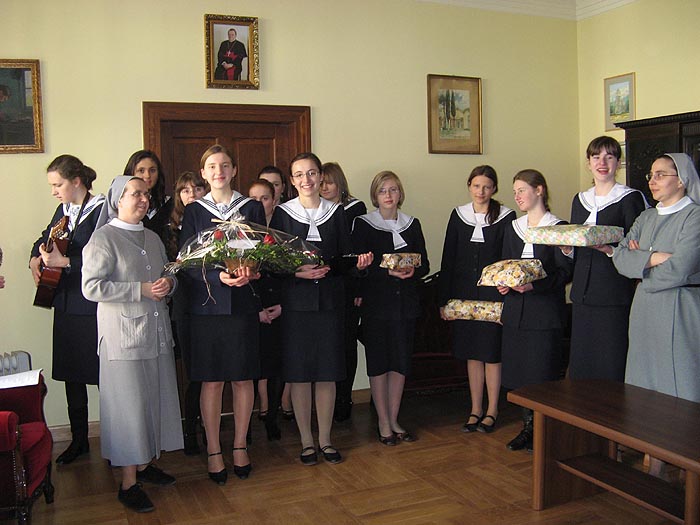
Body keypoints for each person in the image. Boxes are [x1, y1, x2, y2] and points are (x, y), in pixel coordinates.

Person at [82, 176, 182, 513]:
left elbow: (168, 274)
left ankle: (144, 464)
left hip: (155, 333)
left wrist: (169, 283)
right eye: (135, 194)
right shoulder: (103, 238)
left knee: (153, 400)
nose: (143, 199)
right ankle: (128, 484)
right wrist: (140, 289)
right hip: (122, 340)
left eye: (146, 194)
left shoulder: (151, 237)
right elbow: (91, 287)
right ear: (117, 200)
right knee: (129, 410)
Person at [269, 152, 372, 466]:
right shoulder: (283, 214)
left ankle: (326, 440)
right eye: (299, 174)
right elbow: (272, 262)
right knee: (300, 375)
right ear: (292, 180)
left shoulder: (336, 212)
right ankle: (306, 442)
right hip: (297, 305)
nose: (307, 180)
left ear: (320, 176)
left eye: (312, 173)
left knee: (327, 373)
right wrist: (296, 272)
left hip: (330, 303)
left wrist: (358, 265)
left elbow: (344, 259)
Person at [179, 144, 266, 484]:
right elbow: (187, 261)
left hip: (242, 304)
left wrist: (252, 270)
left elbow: (262, 250)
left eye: (225, 165)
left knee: (243, 378)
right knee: (212, 380)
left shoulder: (251, 207)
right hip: (207, 306)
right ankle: (214, 450)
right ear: (203, 173)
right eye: (212, 166)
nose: (219, 171)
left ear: (234, 170)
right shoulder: (194, 211)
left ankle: (240, 445)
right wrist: (219, 277)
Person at [29, 155, 105, 464]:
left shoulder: (101, 210)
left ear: (76, 181)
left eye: (57, 185)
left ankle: (115, 441)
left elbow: (107, 256)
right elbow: (45, 237)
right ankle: (79, 440)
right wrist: (35, 258)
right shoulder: (64, 210)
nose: (53, 191)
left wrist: (68, 262)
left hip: (91, 305)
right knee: (72, 376)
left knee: (102, 377)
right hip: (64, 302)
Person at [613, 154, 700, 401]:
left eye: (661, 175)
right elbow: (619, 258)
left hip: (679, 305)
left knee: (679, 377)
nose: (652, 181)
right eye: (651, 175)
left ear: (681, 180)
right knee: (642, 376)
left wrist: (640, 263)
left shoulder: (694, 217)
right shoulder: (646, 217)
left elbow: (680, 268)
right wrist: (654, 257)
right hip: (643, 308)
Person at [352, 170, 428, 445]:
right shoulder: (363, 224)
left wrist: (412, 271)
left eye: (393, 189)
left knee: (400, 363)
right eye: (383, 190)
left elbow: (425, 263)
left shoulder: (412, 224)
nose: (388, 195)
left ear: (400, 193)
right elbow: (358, 268)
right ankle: (383, 421)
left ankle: (394, 418)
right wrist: (387, 273)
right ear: (375, 195)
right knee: (379, 364)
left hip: (405, 305)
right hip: (377, 305)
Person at [499, 169, 573, 452]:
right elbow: (506, 265)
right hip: (516, 313)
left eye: (522, 190)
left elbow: (564, 272)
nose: (517, 196)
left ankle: (544, 431)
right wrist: (503, 283)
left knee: (541, 375)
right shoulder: (513, 228)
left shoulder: (558, 228)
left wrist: (534, 286)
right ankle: (527, 428)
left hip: (544, 313)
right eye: (514, 191)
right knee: (520, 376)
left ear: (539, 190)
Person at [438, 165, 515, 434]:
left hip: (494, 297)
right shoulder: (458, 215)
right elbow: (448, 259)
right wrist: (444, 300)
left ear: (494, 189)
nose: (481, 191)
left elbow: (509, 259)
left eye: (487, 187)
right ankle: (475, 409)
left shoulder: (506, 216)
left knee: (491, 354)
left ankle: (492, 410)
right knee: (472, 354)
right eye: (476, 186)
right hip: (464, 297)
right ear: (469, 186)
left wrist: (508, 297)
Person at [565, 137, 647, 381]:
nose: (602, 163)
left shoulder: (630, 198)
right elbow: (577, 246)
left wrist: (610, 249)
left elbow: (635, 246)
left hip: (613, 291)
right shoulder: (580, 200)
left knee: (610, 359)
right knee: (583, 360)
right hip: (582, 293)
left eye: (609, 157)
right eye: (596, 157)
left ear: (618, 163)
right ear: (588, 163)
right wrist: (566, 248)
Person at [321, 161, 367, 422]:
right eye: (322, 182)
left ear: (340, 183)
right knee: (329, 344)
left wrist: (359, 287)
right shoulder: (314, 210)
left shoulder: (355, 209)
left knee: (347, 343)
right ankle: (327, 399)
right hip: (325, 285)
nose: (325, 187)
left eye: (330, 182)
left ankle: (345, 396)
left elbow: (358, 253)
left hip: (349, 286)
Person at [167, 171, 208, 455]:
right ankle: (188, 431)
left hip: (211, 305)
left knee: (207, 373)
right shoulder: (169, 228)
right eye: (185, 190)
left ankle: (206, 427)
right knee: (192, 373)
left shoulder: (215, 221)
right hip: (182, 307)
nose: (191, 194)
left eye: (197, 188)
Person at [248, 179, 283, 440]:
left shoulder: (284, 232)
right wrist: (256, 309)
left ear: (274, 200)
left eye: (265, 198)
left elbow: (291, 272)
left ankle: (272, 417)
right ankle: (246, 425)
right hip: (251, 310)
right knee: (249, 370)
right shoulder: (241, 235)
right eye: (254, 199)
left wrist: (283, 305)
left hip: (279, 307)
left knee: (275, 367)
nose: (260, 204)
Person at [123, 150, 173, 243]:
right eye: (141, 170)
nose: (147, 175)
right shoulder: (122, 205)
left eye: (152, 170)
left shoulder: (170, 204)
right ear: (131, 173)